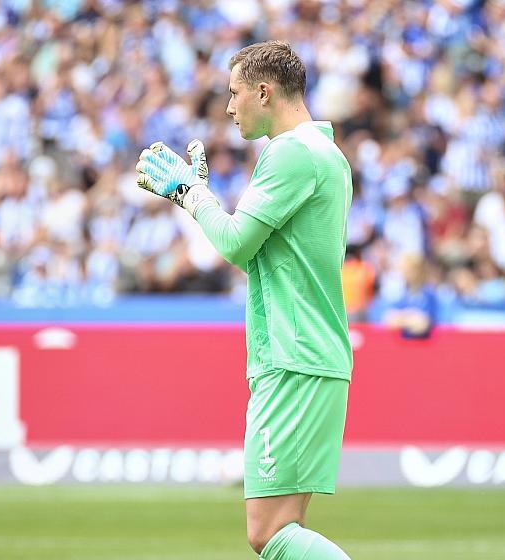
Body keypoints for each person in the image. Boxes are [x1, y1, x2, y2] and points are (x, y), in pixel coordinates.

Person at [135, 41, 353, 560]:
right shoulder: (325, 152)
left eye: (235, 94)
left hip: (292, 356)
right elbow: (259, 249)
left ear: (264, 91)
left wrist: (190, 195)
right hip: (309, 354)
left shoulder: (291, 151)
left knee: (268, 533)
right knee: (287, 525)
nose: (229, 107)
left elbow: (234, 243)